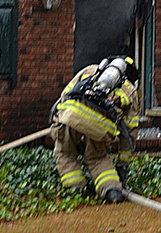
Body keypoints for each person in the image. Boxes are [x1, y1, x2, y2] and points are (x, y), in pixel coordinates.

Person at [51, 55, 141, 203]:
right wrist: (123, 163)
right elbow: (130, 132)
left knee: (65, 152)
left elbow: (65, 94)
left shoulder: (90, 70)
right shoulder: (130, 91)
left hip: (70, 114)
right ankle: (112, 192)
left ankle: (77, 190)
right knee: (97, 158)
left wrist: (58, 119)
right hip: (100, 126)